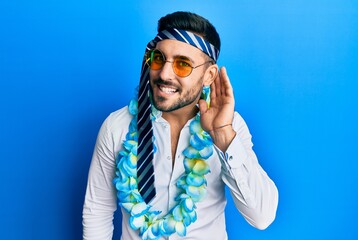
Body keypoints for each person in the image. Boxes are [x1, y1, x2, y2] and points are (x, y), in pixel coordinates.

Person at [83, 11, 278, 240]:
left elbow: (262, 217)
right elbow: (98, 209)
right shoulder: (117, 126)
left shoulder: (230, 126)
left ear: (209, 75)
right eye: (159, 59)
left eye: (182, 64)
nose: (164, 74)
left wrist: (223, 136)